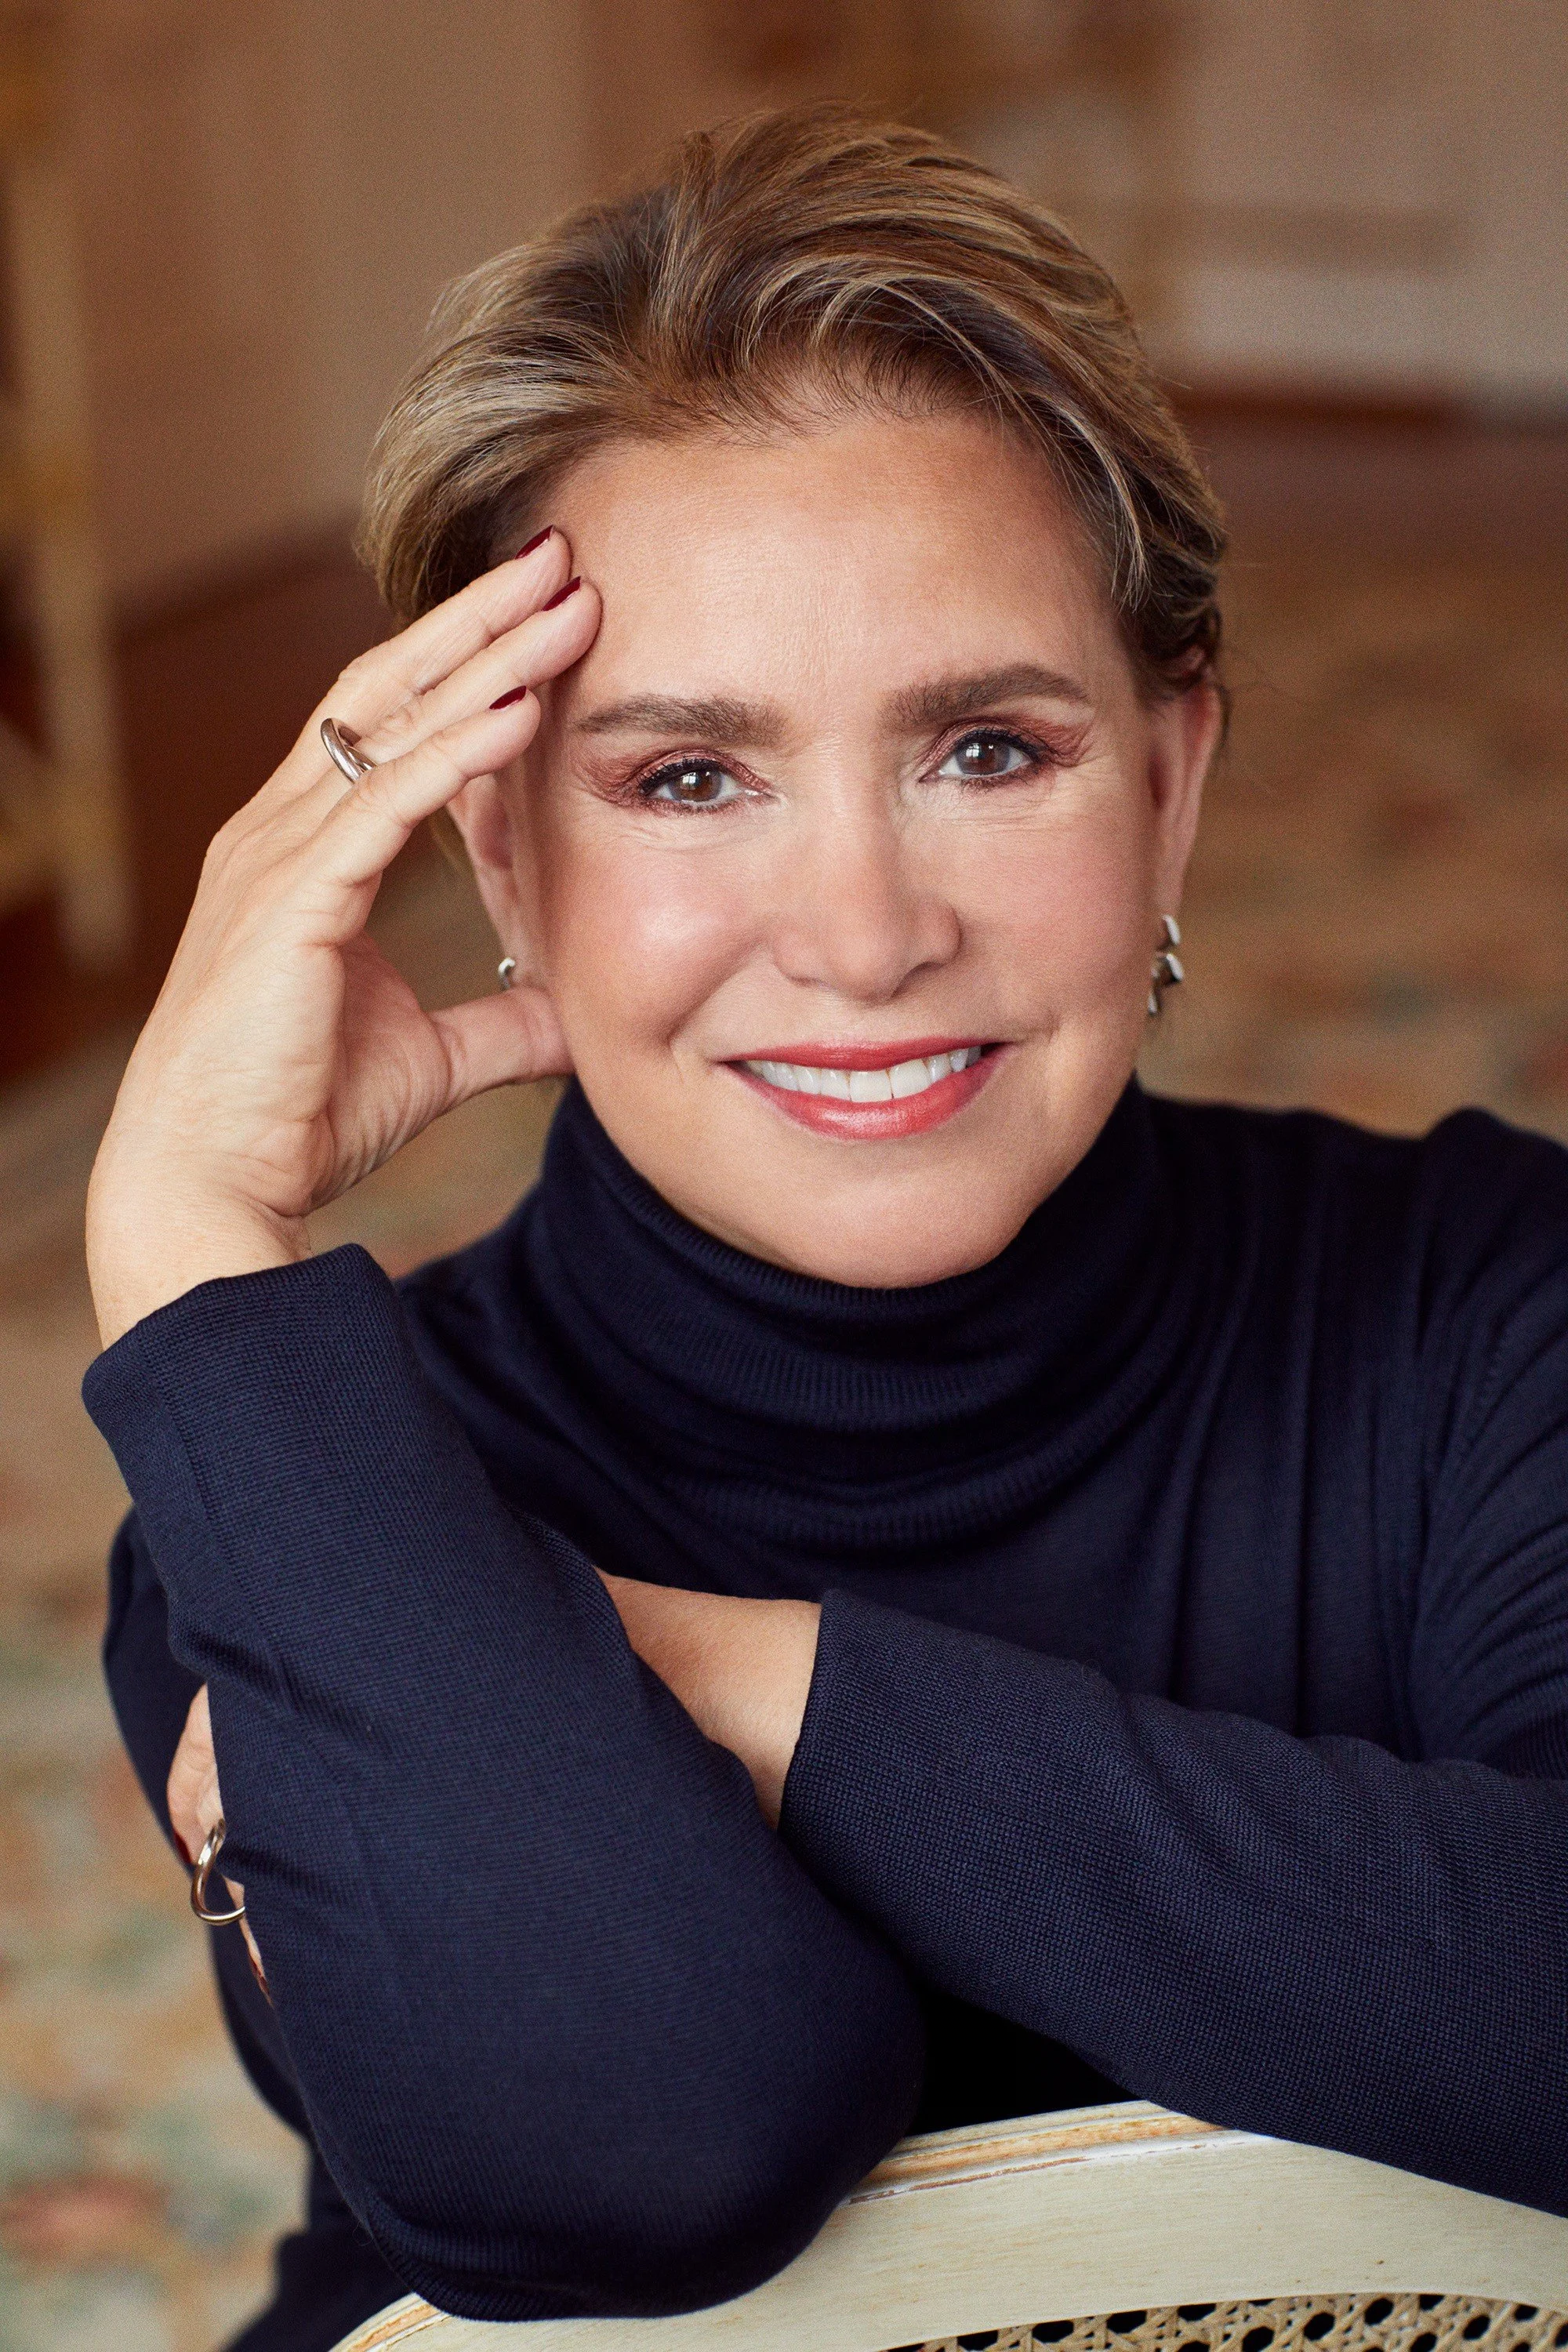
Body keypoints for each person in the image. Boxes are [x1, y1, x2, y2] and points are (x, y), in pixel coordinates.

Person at [84, 105, 1568, 2352]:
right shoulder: (313, 1487)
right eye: (689, 777)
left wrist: (698, 1673)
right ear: (503, 861)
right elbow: (641, 2149)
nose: (867, 938)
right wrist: (191, 1225)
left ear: (1171, 786)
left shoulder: (1489, 1298)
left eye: (990, 750)